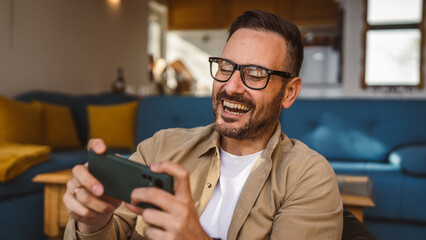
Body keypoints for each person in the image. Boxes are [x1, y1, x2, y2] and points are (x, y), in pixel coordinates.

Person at [63, 10, 343, 240]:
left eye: (255, 74)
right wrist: (93, 224)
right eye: (225, 67)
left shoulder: (309, 178)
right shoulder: (160, 147)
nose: (231, 87)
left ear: (289, 93)